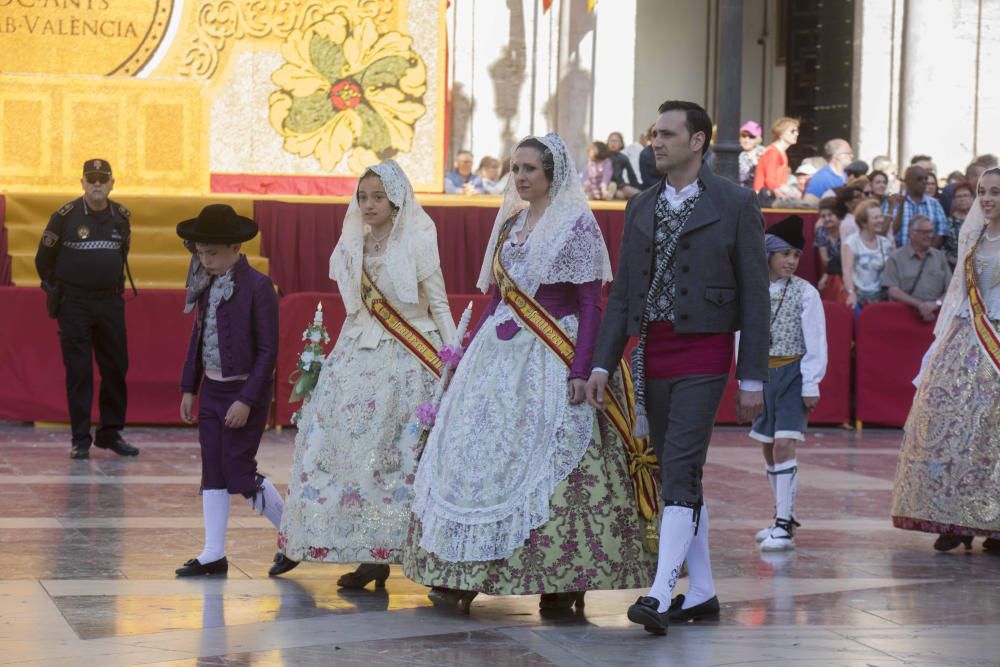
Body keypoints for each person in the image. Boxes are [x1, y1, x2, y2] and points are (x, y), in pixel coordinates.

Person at [404, 133, 657, 614]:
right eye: (515, 169)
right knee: (477, 454)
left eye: (529, 170)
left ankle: (562, 582)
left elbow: (590, 302)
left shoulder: (578, 226)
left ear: (552, 174)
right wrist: (465, 356)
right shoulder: (511, 225)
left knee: (548, 459)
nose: (519, 177)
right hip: (497, 358)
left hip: (551, 353)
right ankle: (463, 574)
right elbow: (498, 297)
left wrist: (582, 368)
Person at [585, 100, 769, 636]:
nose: (655, 143)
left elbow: (755, 298)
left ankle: (660, 591)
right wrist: (602, 363)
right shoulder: (640, 206)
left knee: (681, 468)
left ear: (699, 142)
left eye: (666, 134)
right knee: (674, 470)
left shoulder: (735, 202)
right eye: (652, 134)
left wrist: (752, 377)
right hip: (651, 355)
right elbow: (621, 294)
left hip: (705, 351)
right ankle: (704, 590)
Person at [274, 160, 456, 584]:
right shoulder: (351, 245)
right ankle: (367, 552)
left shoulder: (417, 242)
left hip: (409, 358)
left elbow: (440, 304)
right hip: (358, 356)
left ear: (396, 200)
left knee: (400, 455)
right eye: (363, 197)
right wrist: (336, 363)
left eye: (378, 197)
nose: (369, 204)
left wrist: (453, 362)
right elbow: (355, 312)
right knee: (339, 451)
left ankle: (416, 550)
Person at [891, 167, 1000, 553]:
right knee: (954, 428)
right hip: (966, 337)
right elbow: (958, 295)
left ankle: (992, 520)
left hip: (996, 342)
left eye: (996, 192)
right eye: (983, 192)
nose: (987, 199)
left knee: (991, 433)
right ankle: (955, 518)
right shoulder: (972, 238)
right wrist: (941, 345)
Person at [174, 204, 281, 577]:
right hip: (212, 394)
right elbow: (198, 337)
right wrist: (190, 387)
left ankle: (294, 536)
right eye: (201, 253)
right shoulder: (205, 285)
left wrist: (248, 400)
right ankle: (213, 553)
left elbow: (269, 351)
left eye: (213, 254)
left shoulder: (259, 287)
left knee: (238, 470)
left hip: (243, 394)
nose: (206, 260)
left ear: (236, 248)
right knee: (213, 471)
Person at [34, 159, 139, 460]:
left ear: (111, 184)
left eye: (102, 179)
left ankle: (110, 433)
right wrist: (58, 290)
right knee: (79, 373)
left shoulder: (121, 216)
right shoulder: (64, 217)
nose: (96, 184)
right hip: (75, 304)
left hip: (109, 303)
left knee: (116, 368)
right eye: (91, 179)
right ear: (82, 182)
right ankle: (81, 439)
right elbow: (43, 259)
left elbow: (123, 252)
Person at [751, 216, 827, 552]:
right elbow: (744, 337)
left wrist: (811, 383)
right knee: (768, 446)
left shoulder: (805, 293)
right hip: (764, 376)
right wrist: (747, 379)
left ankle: (785, 522)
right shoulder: (753, 290)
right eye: (785, 254)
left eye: (796, 255)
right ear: (769, 254)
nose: (791, 262)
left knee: (784, 444)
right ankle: (780, 515)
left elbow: (816, 340)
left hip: (794, 375)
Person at [882, 215, 952, 322]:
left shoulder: (939, 257)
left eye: (931, 231)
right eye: (925, 232)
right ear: (911, 233)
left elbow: (952, 290)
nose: (930, 236)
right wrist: (921, 305)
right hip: (904, 318)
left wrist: (936, 304)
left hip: (935, 318)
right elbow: (893, 291)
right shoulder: (896, 257)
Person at [843, 199, 893, 310]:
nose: (881, 220)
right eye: (876, 218)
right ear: (863, 223)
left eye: (881, 216)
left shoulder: (885, 243)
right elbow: (847, 271)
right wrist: (851, 293)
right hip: (859, 298)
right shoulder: (852, 242)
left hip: (881, 297)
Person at [885, 165, 949, 248]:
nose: (924, 182)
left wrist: (928, 253)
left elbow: (941, 231)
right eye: (919, 179)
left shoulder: (934, 204)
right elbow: (888, 232)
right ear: (908, 181)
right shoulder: (894, 202)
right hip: (899, 256)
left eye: (926, 178)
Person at [753, 117, 798, 194]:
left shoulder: (780, 152)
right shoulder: (772, 153)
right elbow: (770, 181)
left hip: (772, 195)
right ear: (781, 133)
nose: (797, 134)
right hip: (765, 197)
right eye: (792, 131)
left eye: (797, 131)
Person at [814, 197, 845, 304]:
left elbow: (847, 259)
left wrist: (827, 273)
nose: (827, 219)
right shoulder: (821, 232)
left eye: (830, 215)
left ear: (838, 215)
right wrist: (828, 272)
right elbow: (825, 261)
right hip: (833, 273)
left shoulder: (845, 229)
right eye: (823, 216)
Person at [944, 182, 975, 268]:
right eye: (958, 196)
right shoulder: (948, 222)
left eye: (965, 195)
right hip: (954, 267)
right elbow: (943, 248)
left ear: (972, 198)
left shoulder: (981, 220)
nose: (962, 199)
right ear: (954, 200)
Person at [607, 131, 642, 199]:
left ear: (621, 144)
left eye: (616, 141)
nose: (613, 143)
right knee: (620, 195)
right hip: (606, 184)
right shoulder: (604, 157)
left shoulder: (623, 158)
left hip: (620, 184)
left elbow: (631, 175)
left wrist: (636, 186)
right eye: (611, 141)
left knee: (637, 193)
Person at [738, 121, 765, 189]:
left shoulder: (764, 152)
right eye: (744, 136)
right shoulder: (735, 153)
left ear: (758, 139)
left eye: (751, 137)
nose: (747, 140)